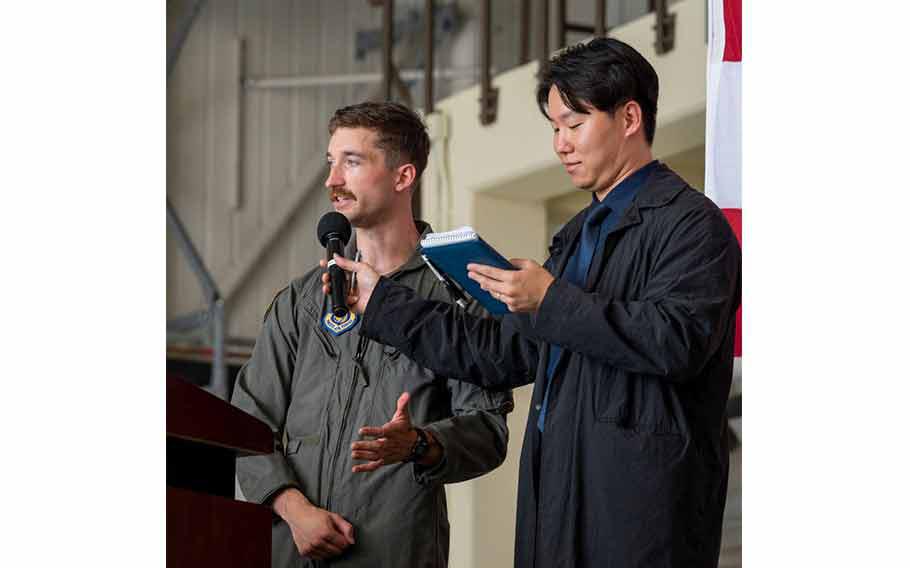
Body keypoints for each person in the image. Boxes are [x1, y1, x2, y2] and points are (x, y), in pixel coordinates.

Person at [329, 38, 742, 567]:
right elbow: (501, 353)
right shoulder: (576, 237)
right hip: (558, 501)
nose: (561, 144)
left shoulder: (691, 224)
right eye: (554, 128)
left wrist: (550, 299)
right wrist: (382, 303)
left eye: (574, 123)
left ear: (630, 117)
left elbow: (677, 341)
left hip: (640, 515)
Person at [231, 101, 513, 568]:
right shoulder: (301, 302)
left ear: (403, 177)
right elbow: (248, 422)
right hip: (288, 550)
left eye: (352, 162)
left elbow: (487, 430)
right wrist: (294, 510)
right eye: (330, 162)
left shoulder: (455, 296)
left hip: (394, 552)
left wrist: (419, 443)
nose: (332, 180)